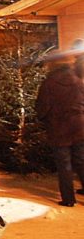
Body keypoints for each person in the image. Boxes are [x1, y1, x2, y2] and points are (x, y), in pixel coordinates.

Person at [36, 51, 84, 206]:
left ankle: (69, 199)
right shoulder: (77, 80)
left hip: (59, 127)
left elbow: (43, 107)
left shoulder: (49, 83)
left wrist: (45, 119)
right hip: (78, 125)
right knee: (81, 161)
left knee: (64, 165)